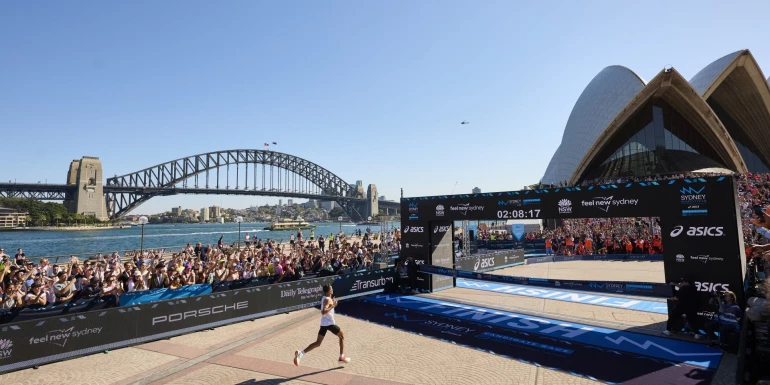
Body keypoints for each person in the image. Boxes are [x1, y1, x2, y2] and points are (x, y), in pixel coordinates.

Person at [294, 284, 350, 366]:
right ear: (328, 291)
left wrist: (332, 303)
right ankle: (341, 357)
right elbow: (323, 311)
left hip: (324, 323)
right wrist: (333, 305)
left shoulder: (326, 298)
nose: (332, 289)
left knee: (318, 343)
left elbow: (326, 306)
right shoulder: (327, 299)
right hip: (329, 324)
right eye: (331, 288)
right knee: (341, 336)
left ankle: (300, 353)